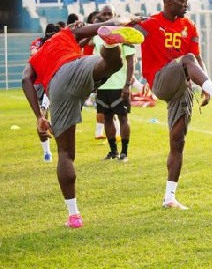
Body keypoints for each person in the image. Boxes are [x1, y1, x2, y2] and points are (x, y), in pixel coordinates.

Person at [23, 16, 144, 228]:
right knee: (112, 64)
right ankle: (110, 43)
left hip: (57, 87)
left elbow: (26, 79)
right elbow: (102, 26)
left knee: (65, 154)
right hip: (77, 66)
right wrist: (128, 20)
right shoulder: (66, 35)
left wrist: (39, 117)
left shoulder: (37, 55)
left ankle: (74, 215)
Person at [134, 0, 212, 210]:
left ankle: (169, 197)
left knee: (178, 142)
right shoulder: (150, 24)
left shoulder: (189, 25)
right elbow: (128, 34)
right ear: (168, 2)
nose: (186, 5)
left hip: (183, 86)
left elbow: (197, 58)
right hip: (160, 80)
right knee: (185, 59)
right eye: (182, 1)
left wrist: (205, 87)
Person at [92, 4, 136, 162]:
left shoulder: (123, 34)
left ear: (114, 15)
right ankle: (113, 152)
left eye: (109, 14)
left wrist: (128, 84)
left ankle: (124, 153)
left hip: (119, 86)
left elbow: (131, 61)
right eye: (103, 14)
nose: (105, 17)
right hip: (103, 85)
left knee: (123, 118)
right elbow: (96, 61)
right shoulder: (97, 36)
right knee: (107, 119)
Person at [29, 23, 61, 162]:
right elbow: (34, 54)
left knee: (60, 118)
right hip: (40, 84)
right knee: (41, 117)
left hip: (56, 81)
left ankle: (63, 150)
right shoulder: (37, 42)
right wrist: (46, 45)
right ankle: (47, 152)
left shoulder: (61, 45)